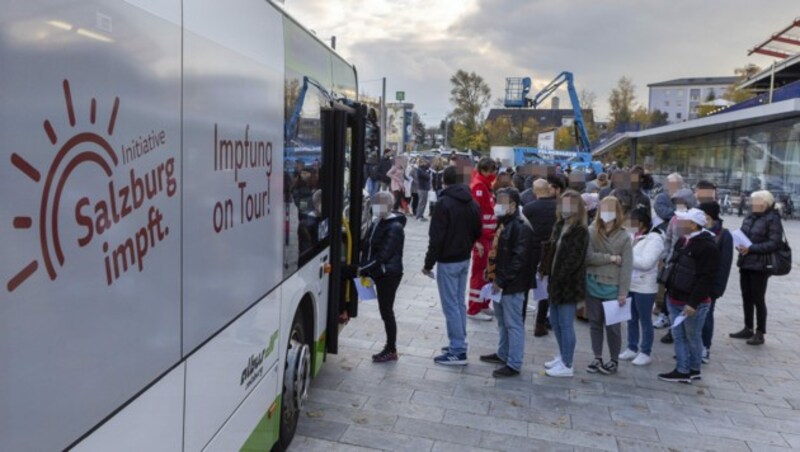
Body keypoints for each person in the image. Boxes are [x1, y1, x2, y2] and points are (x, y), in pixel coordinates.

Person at [423, 166, 482, 366]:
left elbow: (436, 237)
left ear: (444, 181)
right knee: (458, 303)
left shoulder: (444, 203)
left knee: (451, 305)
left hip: (448, 260)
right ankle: (459, 343)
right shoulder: (472, 202)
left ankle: (457, 349)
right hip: (464, 258)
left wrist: (428, 264)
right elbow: (477, 230)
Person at [658, 208, 720, 383]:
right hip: (675, 297)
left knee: (691, 336)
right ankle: (690, 369)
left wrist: (692, 303)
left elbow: (706, 278)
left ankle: (686, 370)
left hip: (692, 303)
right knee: (680, 335)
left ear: (693, 225)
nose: (679, 224)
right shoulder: (683, 241)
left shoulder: (707, 246)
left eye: (683, 221)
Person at [479, 188, 534, 377]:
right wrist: (491, 271)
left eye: (502, 202)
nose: (497, 205)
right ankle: (503, 353)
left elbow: (519, 259)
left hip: (511, 284)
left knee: (513, 324)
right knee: (502, 321)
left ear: (512, 205)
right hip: (500, 281)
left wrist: (501, 280)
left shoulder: (521, 225)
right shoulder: (505, 222)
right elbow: (498, 251)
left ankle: (514, 362)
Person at [585, 196, 633, 375]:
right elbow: (588, 257)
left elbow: (627, 265)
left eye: (610, 208)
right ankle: (597, 356)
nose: (606, 212)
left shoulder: (623, 235)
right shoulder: (591, 230)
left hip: (613, 286)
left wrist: (623, 292)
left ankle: (613, 360)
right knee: (595, 323)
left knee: (613, 327)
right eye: (603, 208)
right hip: (592, 283)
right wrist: (611, 258)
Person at [544, 190, 589, 378]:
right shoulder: (559, 224)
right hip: (554, 281)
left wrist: (559, 278)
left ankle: (568, 363)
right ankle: (563, 355)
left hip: (568, 284)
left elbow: (574, 260)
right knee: (554, 321)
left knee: (565, 323)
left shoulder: (580, 231)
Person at [730, 190, 784, 346]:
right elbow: (743, 235)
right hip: (746, 261)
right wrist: (740, 245)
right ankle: (748, 327)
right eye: (752, 201)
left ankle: (760, 332)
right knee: (746, 296)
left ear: (765, 203)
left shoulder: (772, 219)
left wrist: (751, 248)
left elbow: (774, 243)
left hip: (760, 265)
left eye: (756, 202)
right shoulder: (749, 216)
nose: (752, 204)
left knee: (758, 298)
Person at [359, 192, 406, 362]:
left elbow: (382, 256)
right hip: (378, 271)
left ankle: (391, 348)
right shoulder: (378, 221)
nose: (376, 208)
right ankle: (390, 348)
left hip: (388, 274)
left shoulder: (394, 227)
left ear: (389, 206)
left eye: (380, 204)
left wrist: (362, 268)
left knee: (387, 311)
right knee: (384, 310)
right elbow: (368, 246)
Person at [618, 206, 664, 366]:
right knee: (630, 318)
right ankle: (631, 347)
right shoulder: (631, 236)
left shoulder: (655, 239)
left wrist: (625, 258)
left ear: (642, 223)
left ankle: (645, 351)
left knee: (645, 320)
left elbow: (647, 263)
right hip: (629, 283)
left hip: (645, 286)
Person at [655, 188, 697, 338]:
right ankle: (666, 319)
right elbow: (668, 239)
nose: (678, 205)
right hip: (672, 261)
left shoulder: (695, 220)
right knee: (668, 291)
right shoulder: (674, 219)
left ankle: (677, 329)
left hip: (687, 264)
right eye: (676, 202)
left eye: (681, 202)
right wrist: (666, 254)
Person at [697, 201, 733, 362]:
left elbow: (725, 265)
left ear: (708, 216)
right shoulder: (696, 230)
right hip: (692, 283)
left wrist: (717, 288)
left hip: (710, 285)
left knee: (706, 316)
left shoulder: (724, 235)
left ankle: (705, 347)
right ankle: (693, 347)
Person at [522, 179, 558, 336]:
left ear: (534, 192)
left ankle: (519, 321)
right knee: (544, 289)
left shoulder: (529, 208)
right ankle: (540, 324)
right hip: (549, 252)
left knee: (523, 288)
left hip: (530, 250)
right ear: (549, 190)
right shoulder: (558, 207)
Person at [467, 158, 498, 321]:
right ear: (486, 171)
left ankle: (484, 303)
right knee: (479, 272)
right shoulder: (479, 186)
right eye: (493, 171)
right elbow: (476, 215)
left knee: (487, 271)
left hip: (489, 237)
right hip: (482, 238)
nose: (494, 175)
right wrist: (477, 240)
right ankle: (474, 308)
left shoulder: (485, 185)